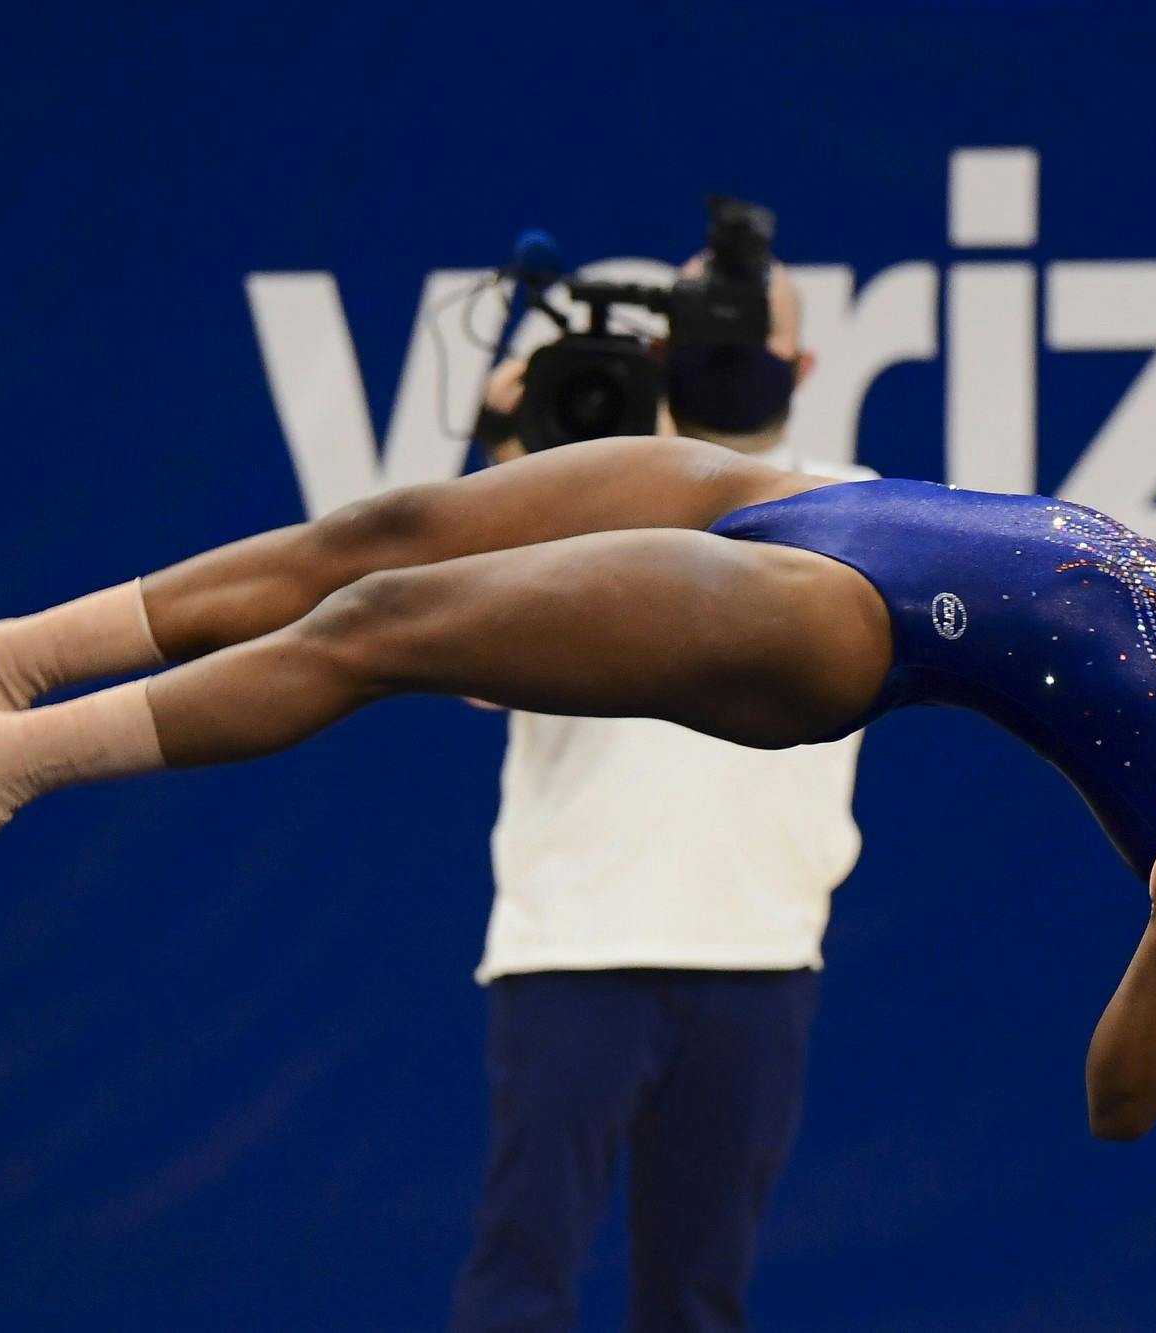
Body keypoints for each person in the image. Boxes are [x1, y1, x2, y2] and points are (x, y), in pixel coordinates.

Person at [0, 283, 1156, 1138]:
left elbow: (1128, 1098)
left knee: (384, 617)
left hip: (829, 621)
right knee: (386, 526)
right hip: (797, 497)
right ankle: (7, 649)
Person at [452, 258, 873, 1333]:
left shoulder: (855, 508)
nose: (729, 356)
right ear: (657, 353)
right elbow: (468, 667)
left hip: (755, 959)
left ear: (804, 364)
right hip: (570, 949)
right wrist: (504, 453)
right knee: (517, 1292)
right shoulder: (569, 497)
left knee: (695, 1304)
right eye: (705, 332)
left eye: (752, 338)